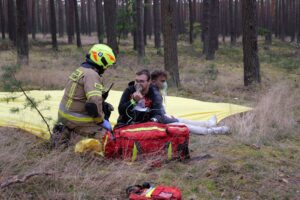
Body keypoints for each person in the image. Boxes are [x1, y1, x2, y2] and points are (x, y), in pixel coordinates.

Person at [53, 44, 116, 146]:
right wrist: (101, 121)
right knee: (108, 138)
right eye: (107, 65)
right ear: (102, 61)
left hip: (63, 117)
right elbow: (94, 102)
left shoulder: (80, 70)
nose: (107, 68)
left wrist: (103, 103)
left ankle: (66, 134)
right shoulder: (92, 75)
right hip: (77, 120)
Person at [150, 70, 230, 135]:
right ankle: (214, 131)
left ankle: (208, 124)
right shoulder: (153, 93)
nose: (164, 83)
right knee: (186, 126)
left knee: (184, 121)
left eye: (165, 81)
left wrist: (168, 117)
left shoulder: (156, 91)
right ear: (153, 81)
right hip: (162, 123)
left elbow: (158, 110)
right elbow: (156, 114)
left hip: (164, 119)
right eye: (162, 81)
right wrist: (169, 120)